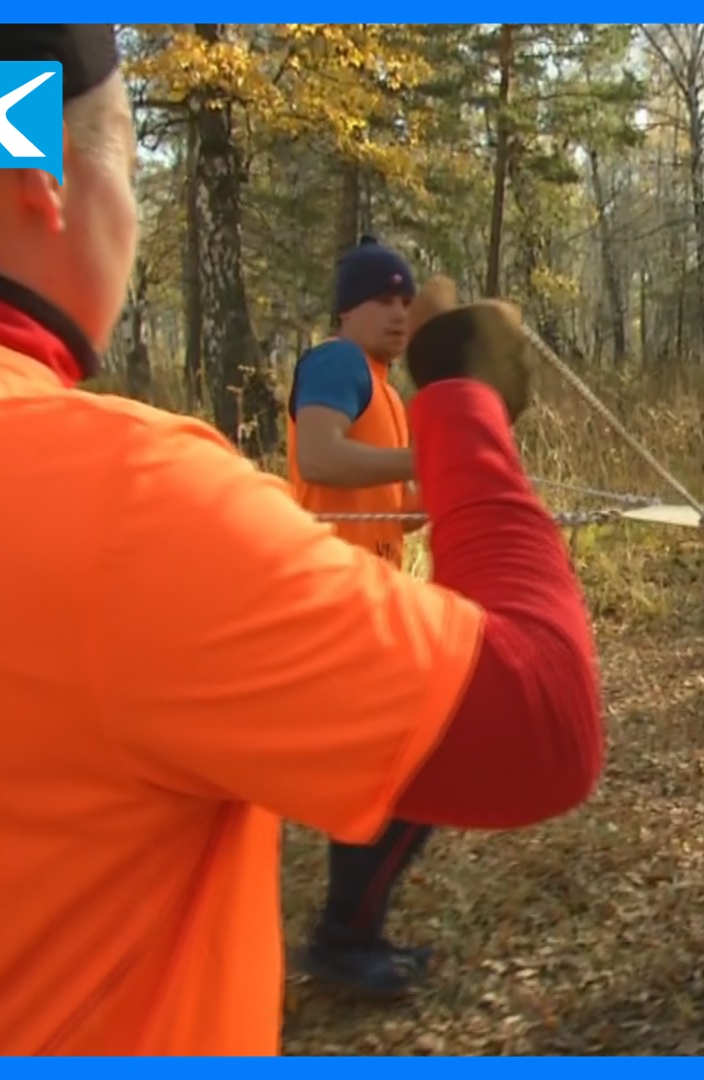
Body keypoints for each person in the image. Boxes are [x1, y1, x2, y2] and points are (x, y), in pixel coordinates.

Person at [0, 25, 603, 1055]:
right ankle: (346, 934)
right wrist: (464, 410)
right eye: (124, 156)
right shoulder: (117, 499)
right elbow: (540, 723)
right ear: (40, 182)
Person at [285, 236, 440, 997]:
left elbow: (395, 508)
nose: (400, 312)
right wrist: (427, 461)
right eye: (385, 299)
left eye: (407, 300)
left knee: (401, 775)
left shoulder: (387, 391)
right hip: (332, 602)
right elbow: (320, 459)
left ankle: (354, 936)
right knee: (402, 773)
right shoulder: (336, 363)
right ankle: (343, 940)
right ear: (349, 307)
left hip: (372, 597)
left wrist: (464, 485)